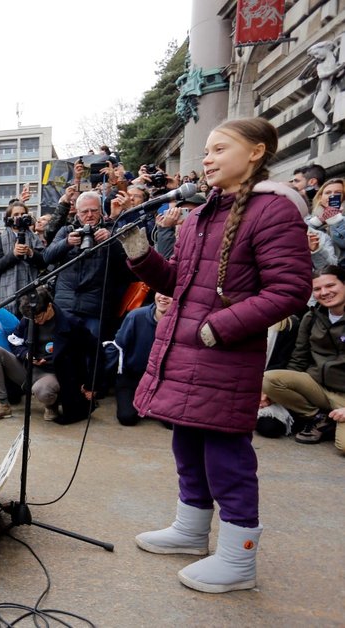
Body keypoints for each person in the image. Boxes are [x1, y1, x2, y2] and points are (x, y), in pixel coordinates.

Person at [118, 118, 312, 593]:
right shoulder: (203, 213)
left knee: (227, 456)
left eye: (219, 148)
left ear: (255, 152)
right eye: (206, 150)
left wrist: (220, 327)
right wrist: (140, 252)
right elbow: (180, 283)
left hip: (222, 353)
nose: (207, 158)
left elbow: (290, 290)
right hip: (187, 352)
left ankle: (238, 559)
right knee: (187, 444)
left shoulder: (272, 212)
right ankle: (190, 531)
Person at [0, 287, 99, 424]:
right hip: (30, 368)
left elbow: (95, 349)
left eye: (38, 317)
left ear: (49, 307)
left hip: (54, 373)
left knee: (41, 390)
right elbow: (14, 341)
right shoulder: (30, 319)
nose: (35, 321)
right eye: (32, 318)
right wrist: (26, 354)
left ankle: (51, 405)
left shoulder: (71, 322)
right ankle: (2, 404)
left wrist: (91, 383)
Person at [261, 266, 345, 449]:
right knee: (270, 379)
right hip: (318, 388)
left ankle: (335, 420)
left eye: (331, 285)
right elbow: (298, 359)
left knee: (343, 446)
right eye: (317, 289)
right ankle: (320, 418)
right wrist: (274, 393)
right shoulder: (312, 317)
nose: (325, 292)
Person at [43, 191, 129, 340]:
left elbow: (127, 265)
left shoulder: (112, 230)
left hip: (96, 307)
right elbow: (47, 257)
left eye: (94, 210)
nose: (89, 215)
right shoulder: (66, 231)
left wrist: (112, 241)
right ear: (77, 213)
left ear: (101, 210)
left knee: (92, 353)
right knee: (64, 353)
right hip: (66, 305)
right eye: (85, 212)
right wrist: (67, 243)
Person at [106, 293, 173, 426]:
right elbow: (116, 348)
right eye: (160, 292)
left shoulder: (182, 322)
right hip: (132, 377)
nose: (163, 297)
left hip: (163, 382)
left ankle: (152, 402)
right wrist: (96, 384)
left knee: (171, 424)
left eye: (170, 295)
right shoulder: (135, 316)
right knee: (127, 418)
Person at [0, 198, 45, 314]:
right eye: (16, 214)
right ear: (9, 218)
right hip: (5, 295)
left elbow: (44, 261)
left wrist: (30, 253)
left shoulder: (35, 239)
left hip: (30, 292)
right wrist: (13, 255)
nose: (19, 217)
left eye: (23, 214)